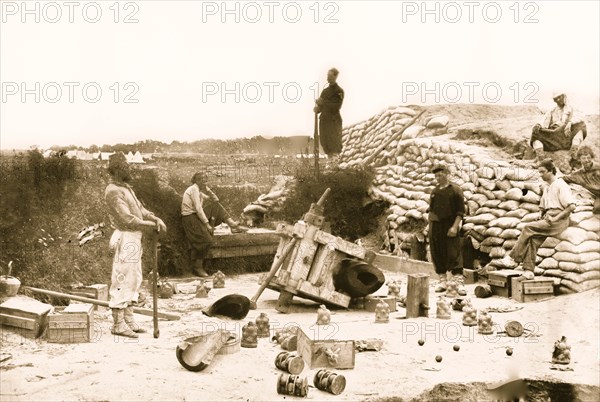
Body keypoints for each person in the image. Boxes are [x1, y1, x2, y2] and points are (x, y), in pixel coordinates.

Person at [104, 152, 167, 338]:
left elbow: (140, 210)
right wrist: (152, 226)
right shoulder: (113, 191)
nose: (129, 169)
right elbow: (127, 219)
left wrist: (154, 218)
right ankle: (117, 323)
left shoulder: (126, 188)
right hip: (125, 237)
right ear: (116, 170)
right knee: (122, 278)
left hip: (134, 237)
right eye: (126, 166)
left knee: (134, 277)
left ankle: (128, 320)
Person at [501, 159, 576, 279]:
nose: (540, 175)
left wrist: (555, 218)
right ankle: (528, 271)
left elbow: (571, 206)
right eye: (539, 172)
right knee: (533, 240)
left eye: (543, 172)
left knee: (527, 228)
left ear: (551, 171)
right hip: (548, 218)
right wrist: (541, 214)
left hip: (559, 220)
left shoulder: (560, 185)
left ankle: (513, 257)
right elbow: (543, 205)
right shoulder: (546, 186)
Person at [181, 172, 248, 277]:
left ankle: (232, 225)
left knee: (216, 206)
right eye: (201, 179)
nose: (204, 181)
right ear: (196, 180)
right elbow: (198, 209)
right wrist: (207, 224)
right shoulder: (193, 189)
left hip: (195, 217)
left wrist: (208, 190)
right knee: (207, 240)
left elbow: (215, 200)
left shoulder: (199, 191)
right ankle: (198, 267)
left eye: (205, 179)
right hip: (190, 219)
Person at [428, 164, 467, 295]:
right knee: (437, 252)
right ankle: (442, 280)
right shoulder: (434, 192)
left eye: (440, 175)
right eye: (436, 176)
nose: (437, 178)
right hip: (436, 226)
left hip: (450, 224)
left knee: (454, 251)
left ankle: (459, 282)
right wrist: (430, 226)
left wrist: (455, 227)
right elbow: (431, 210)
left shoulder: (455, 190)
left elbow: (460, 211)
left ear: (446, 174)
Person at [530, 92, 587, 163]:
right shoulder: (552, 110)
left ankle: (572, 156)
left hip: (567, 136)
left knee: (581, 125)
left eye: (560, 97)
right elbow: (545, 120)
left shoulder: (573, 107)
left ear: (564, 97)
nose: (558, 100)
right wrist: (539, 124)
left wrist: (570, 123)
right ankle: (541, 159)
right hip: (555, 136)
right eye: (556, 99)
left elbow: (580, 116)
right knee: (536, 131)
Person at [314, 68, 345, 162]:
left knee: (333, 144)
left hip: (333, 121)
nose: (327, 77)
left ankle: (335, 165)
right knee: (325, 142)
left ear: (335, 76)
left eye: (330, 75)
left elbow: (336, 106)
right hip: (324, 120)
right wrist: (317, 109)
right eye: (327, 75)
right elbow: (321, 106)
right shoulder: (325, 91)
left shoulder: (339, 91)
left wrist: (323, 103)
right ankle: (331, 164)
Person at [563, 146, 600, 213]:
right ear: (579, 159)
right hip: (598, 196)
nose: (586, 160)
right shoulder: (577, 174)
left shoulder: (598, 168)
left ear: (591, 157)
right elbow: (565, 178)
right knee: (597, 209)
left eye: (588, 157)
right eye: (583, 158)